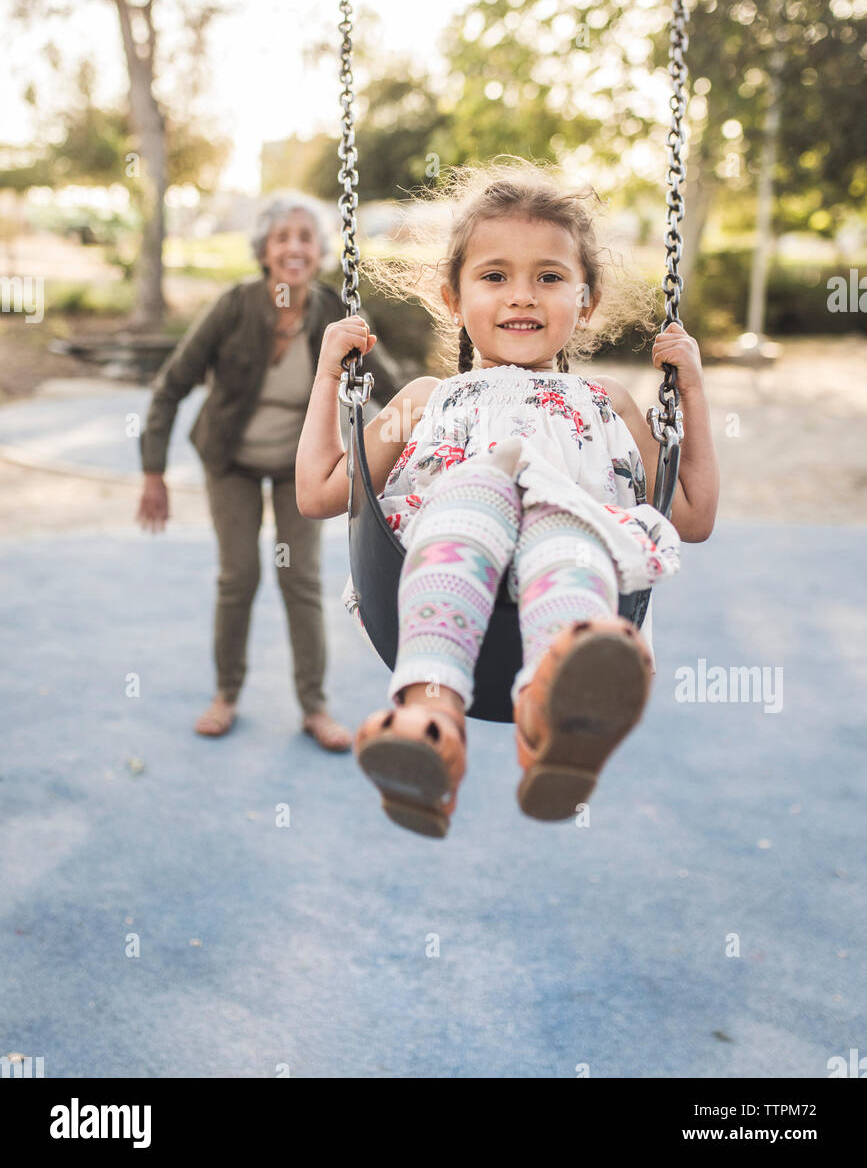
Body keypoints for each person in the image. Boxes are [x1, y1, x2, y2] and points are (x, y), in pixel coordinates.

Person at [296, 161, 719, 832]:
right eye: (494, 276)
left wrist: (689, 392)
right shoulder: (424, 400)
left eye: (548, 277)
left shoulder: (607, 402)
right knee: (473, 491)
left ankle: (552, 725)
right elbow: (320, 491)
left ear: (586, 301)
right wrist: (328, 375)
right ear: (452, 297)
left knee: (566, 528)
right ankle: (431, 716)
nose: (521, 296)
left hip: (565, 559)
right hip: (450, 552)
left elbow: (691, 515)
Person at [135, 193, 404, 751]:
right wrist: (153, 472)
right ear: (264, 250)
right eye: (283, 237)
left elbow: (392, 386)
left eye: (305, 237)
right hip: (230, 459)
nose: (294, 248)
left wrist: (445, 416)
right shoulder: (233, 307)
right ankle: (225, 694)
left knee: (299, 578)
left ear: (320, 250)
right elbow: (171, 385)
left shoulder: (335, 313)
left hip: (295, 468)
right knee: (239, 577)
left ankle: (314, 706)